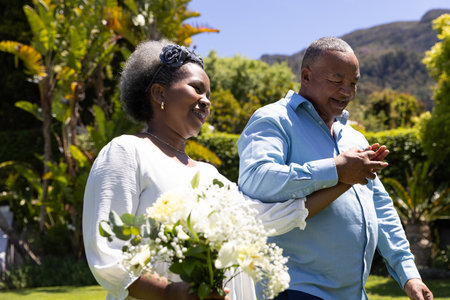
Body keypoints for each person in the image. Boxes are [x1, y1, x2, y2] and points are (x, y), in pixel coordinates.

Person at [83, 40, 313, 300]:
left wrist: (342, 177)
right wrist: (169, 292)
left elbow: (265, 217)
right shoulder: (127, 152)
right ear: (159, 94)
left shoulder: (209, 175)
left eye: (209, 95)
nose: (206, 102)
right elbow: (107, 251)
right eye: (197, 89)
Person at [237, 37, 433, 300]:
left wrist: (409, 274)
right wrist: (336, 170)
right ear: (306, 76)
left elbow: (380, 207)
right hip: (295, 290)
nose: (347, 91)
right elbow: (257, 179)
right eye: (337, 81)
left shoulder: (355, 139)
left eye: (353, 83)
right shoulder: (273, 120)